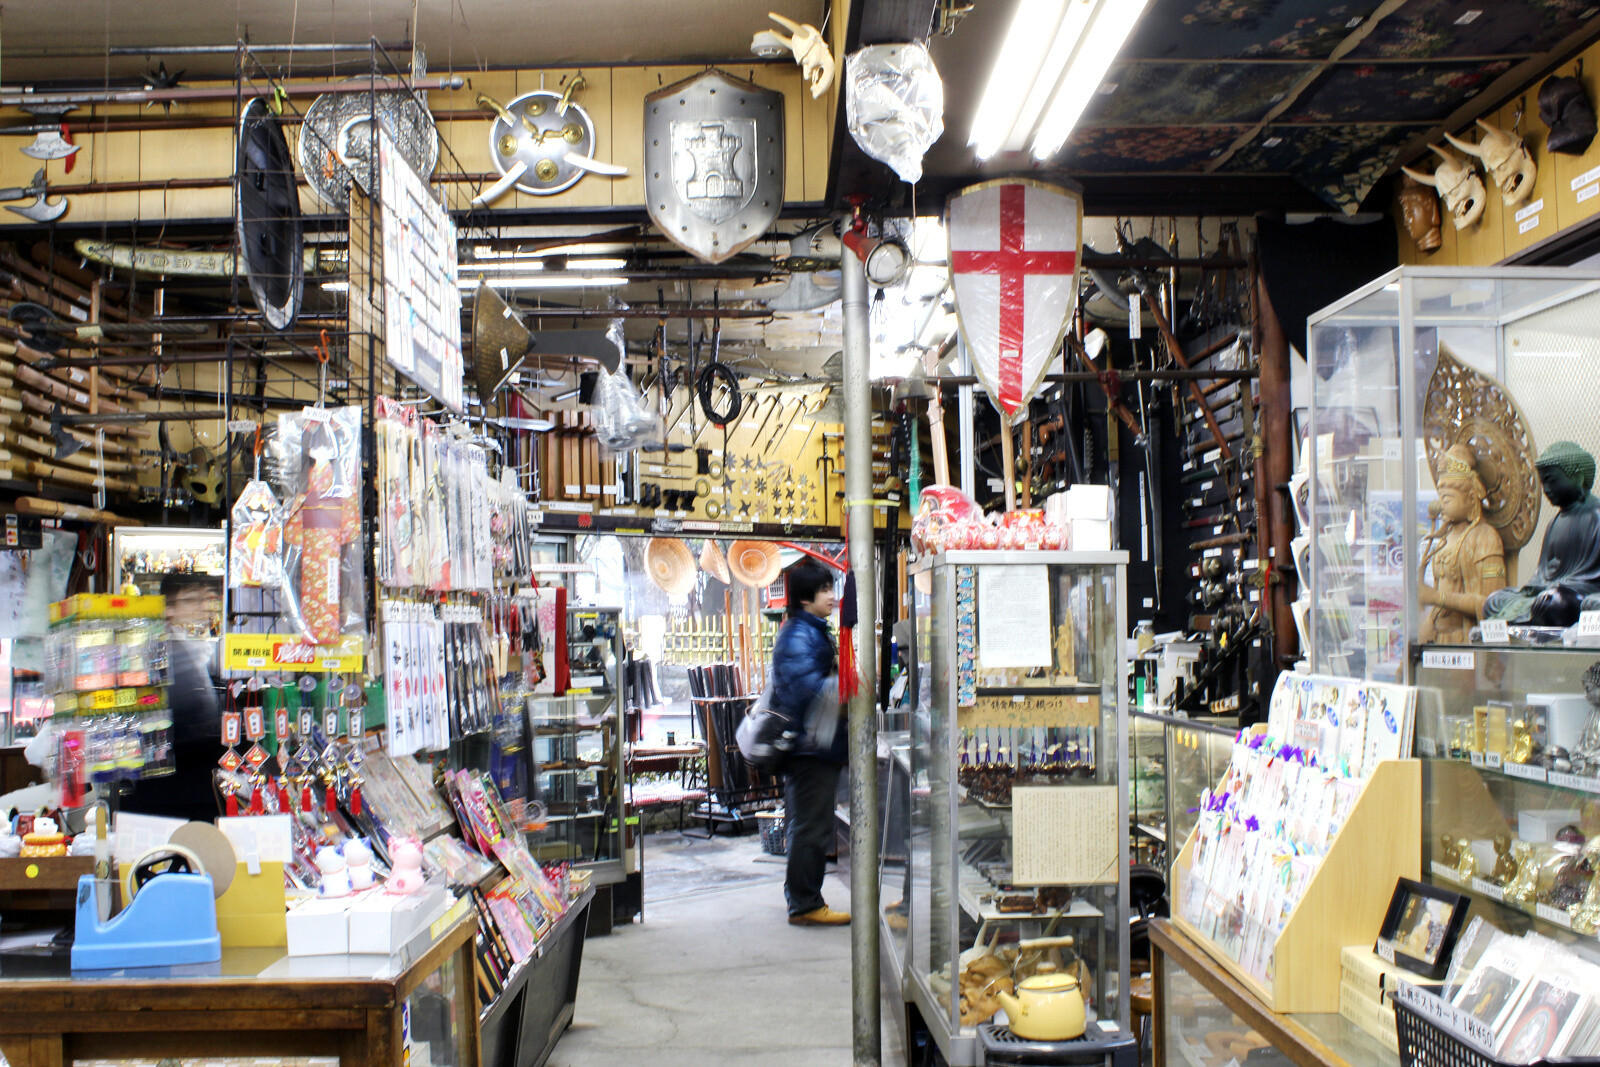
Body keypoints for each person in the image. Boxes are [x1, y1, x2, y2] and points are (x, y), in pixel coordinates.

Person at [771, 558, 849, 926]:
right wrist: (847, 687)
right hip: (810, 748)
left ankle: (804, 898)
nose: (831, 596)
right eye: (824, 590)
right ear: (805, 598)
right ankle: (804, 903)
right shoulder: (799, 635)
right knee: (810, 827)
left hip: (816, 744)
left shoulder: (810, 630)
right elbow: (806, 690)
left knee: (811, 824)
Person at [120, 573, 224, 821]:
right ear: (168, 608)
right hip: (171, 792)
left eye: (203, 599)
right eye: (190, 600)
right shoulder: (160, 650)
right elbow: (179, 711)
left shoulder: (190, 645)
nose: (201, 607)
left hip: (187, 786)